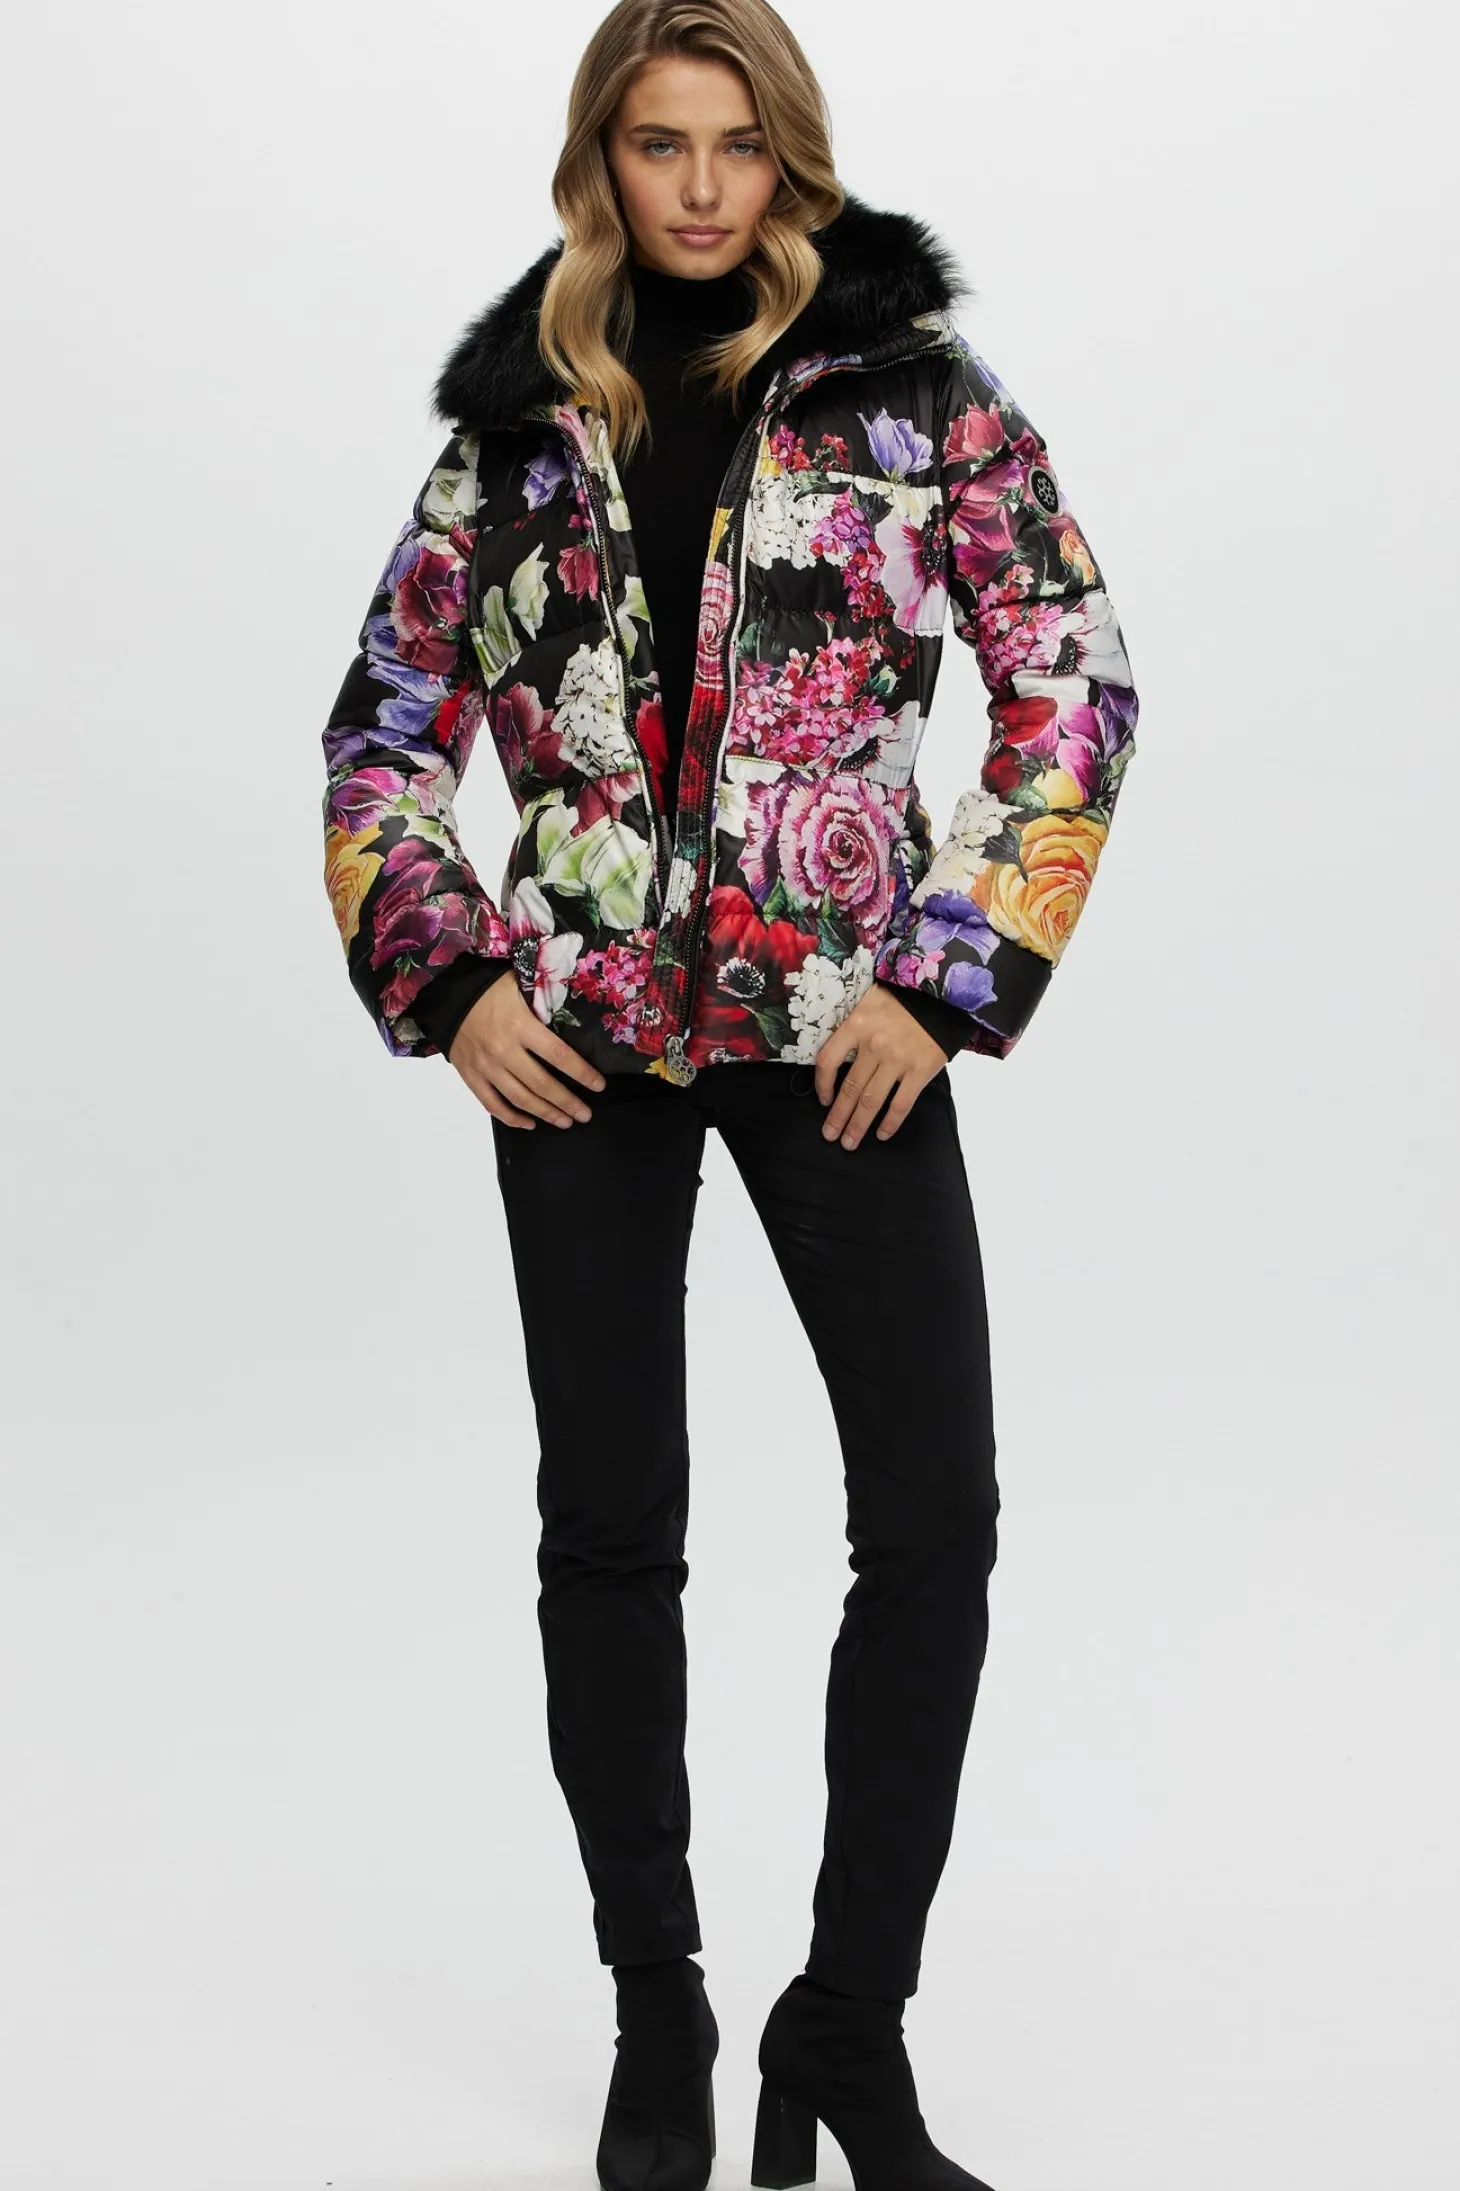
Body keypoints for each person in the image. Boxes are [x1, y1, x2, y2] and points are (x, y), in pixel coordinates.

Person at [320, 3, 1139, 2184]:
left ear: (792, 157)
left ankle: (844, 2028)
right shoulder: (513, 434)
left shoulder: (915, 400)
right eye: (659, 143)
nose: (700, 188)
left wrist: (946, 978)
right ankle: (657, 2008)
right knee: (610, 1529)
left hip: (836, 1035)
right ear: (600, 159)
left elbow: (1070, 679)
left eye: (739, 143)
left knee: (934, 1521)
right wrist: (451, 976)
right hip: (577, 1045)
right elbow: (381, 736)